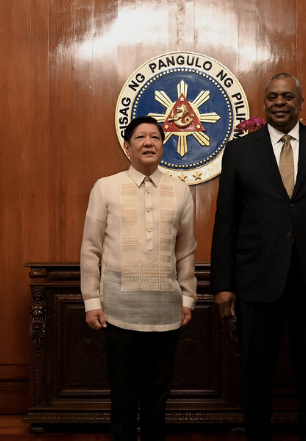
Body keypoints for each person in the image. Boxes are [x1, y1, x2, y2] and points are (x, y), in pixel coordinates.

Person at [210, 73, 306, 441]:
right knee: (255, 372)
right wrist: (223, 285)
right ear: (264, 103)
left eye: (288, 97)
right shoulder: (240, 150)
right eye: (273, 97)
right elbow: (226, 222)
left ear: (300, 103)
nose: (280, 102)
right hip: (256, 279)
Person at [80, 116, 197, 441]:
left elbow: (186, 250)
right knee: (123, 396)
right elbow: (90, 248)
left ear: (163, 145)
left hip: (166, 313)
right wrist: (91, 301)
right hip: (117, 312)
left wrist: (188, 297)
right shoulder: (105, 187)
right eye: (141, 137)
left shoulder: (180, 190)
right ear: (127, 146)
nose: (149, 143)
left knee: (158, 396)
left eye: (155, 137)